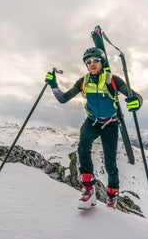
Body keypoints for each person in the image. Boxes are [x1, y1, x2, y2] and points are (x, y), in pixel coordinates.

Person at [45, 47, 142, 209]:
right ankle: (88, 191)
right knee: (83, 148)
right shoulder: (83, 81)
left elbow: (135, 96)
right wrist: (53, 85)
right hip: (92, 122)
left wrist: (137, 102)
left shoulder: (112, 80)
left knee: (110, 163)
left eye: (95, 60)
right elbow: (63, 99)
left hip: (110, 124)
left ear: (101, 61)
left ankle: (112, 196)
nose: (92, 63)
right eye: (88, 61)